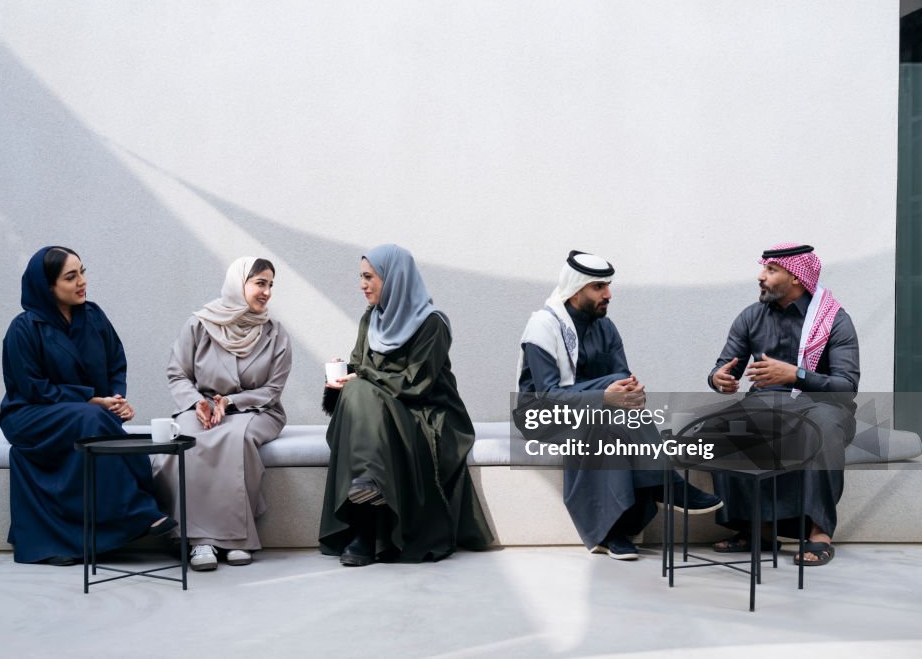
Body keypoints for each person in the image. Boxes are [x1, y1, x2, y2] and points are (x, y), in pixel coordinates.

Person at [517, 250, 722, 560]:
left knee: (606, 427)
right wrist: (605, 396)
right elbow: (546, 395)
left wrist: (632, 394)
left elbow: (623, 381)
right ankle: (664, 483)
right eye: (599, 287)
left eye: (608, 286)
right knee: (605, 396)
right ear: (576, 289)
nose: (608, 294)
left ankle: (614, 534)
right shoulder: (543, 325)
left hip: (595, 416)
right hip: (542, 415)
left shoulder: (606, 328)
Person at [319, 244, 493, 566]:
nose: (362, 285)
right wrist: (341, 378)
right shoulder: (371, 320)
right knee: (357, 397)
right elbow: (360, 367)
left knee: (363, 396)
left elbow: (417, 384)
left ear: (394, 278)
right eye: (361, 277)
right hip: (382, 412)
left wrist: (362, 376)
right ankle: (369, 489)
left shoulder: (431, 324)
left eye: (369, 277)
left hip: (427, 414)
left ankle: (364, 531)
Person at [0, 246, 173, 565]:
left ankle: (87, 535)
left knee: (96, 418)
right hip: (29, 415)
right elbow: (33, 388)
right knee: (92, 417)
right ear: (47, 286)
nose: (83, 281)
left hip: (84, 413)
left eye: (82, 271)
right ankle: (139, 512)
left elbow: (115, 364)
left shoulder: (93, 316)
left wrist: (116, 401)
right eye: (71, 276)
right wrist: (90, 400)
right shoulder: (23, 329)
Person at [706, 243, 859, 565]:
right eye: (763, 269)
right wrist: (718, 378)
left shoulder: (834, 320)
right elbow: (724, 365)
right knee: (717, 429)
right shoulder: (751, 316)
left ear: (796, 278)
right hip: (766, 402)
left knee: (822, 430)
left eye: (771, 270)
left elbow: (846, 387)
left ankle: (819, 532)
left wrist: (796, 375)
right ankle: (755, 529)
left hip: (823, 405)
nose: (760, 277)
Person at [152, 257, 292, 571]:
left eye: (270, 284)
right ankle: (199, 540)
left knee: (233, 436)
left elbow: (272, 389)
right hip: (199, 406)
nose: (267, 291)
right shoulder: (200, 324)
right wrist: (197, 403)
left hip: (257, 410)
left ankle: (235, 540)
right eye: (260, 283)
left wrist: (229, 403)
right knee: (189, 438)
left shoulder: (275, 333)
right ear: (238, 284)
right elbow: (178, 374)